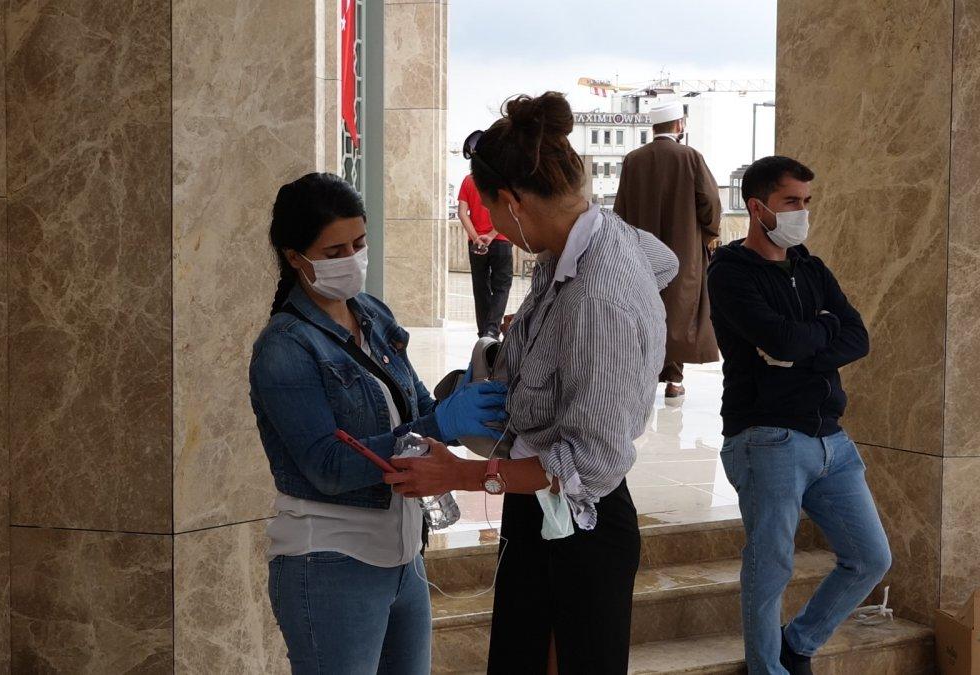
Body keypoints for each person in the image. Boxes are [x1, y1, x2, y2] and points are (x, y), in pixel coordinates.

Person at [383, 92, 678, 674]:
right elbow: (663, 261)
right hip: (538, 512)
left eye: (490, 209)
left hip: (579, 530)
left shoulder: (596, 297)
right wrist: (547, 329)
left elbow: (587, 465)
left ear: (513, 202)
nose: (489, 224)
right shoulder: (587, 241)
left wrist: (462, 475)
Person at [249, 173, 508, 675]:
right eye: (334, 251)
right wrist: (439, 425)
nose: (352, 258)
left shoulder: (369, 313)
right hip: (328, 560)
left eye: (359, 243)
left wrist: (464, 393)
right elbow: (327, 465)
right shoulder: (285, 348)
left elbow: (412, 406)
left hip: (403, 556)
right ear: (294, 256)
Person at [708, 156, 892, 675]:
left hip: (831, 438)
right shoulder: (729, 273)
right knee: (770, 567)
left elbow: (858, 338)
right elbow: (782, 339)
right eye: (792, 202)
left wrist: (809, 336)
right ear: (758, 207)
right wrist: (818, 331)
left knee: (870, 558)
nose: (802, 212)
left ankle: (799, 643)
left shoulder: (810, 266)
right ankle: (766, 668)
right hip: (765, 437)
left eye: (807, 202)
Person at [614, 102, 722, 399]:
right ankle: (674, 380)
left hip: (641, 250)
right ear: (679, 126)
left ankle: (648, 375)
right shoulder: (690, 157)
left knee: (646, 308)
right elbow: (710, 201)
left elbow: (620, 208)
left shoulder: (633, 160)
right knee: (679, 310)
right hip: (683, 248)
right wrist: (709, 232)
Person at [458, 171, 514, 338]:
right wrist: (491, 235)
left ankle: (484, 332)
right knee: (501, 287)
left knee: (480, 287)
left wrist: (477, 238)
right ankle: (491, 330)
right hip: (501, 240)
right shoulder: (503, 179)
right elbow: (510, 211)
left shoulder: (469, 180)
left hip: (476, 245)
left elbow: (462, 213)